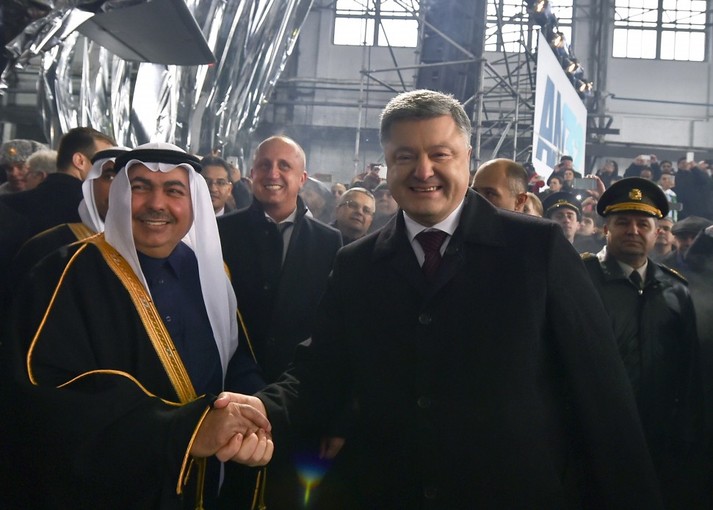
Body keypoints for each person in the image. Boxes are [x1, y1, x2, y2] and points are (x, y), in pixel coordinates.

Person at [249, 90, 663, 509]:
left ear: (467, 157)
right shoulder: (357, 264)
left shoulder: (538, 249)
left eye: (440, 154)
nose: (423, 171)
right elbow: (319, 372)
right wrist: (257, 410)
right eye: (405, 156)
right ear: (387, 163)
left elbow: (602, 394)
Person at [1, 142, 273, 509]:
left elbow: (233, 358)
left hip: (205, 481)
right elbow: (47, 398)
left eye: (174, 191)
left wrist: (253, 412)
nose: (156, 204)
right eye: (141, 187)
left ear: (194, 202)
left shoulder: (211, 272)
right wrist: (185, 430)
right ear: (120, 195)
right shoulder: (64, 274)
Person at [216, 135, 342, 508]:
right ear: (251, 174)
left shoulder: (330, 242)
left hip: (301, 401)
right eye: (265, 165)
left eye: (284, 166)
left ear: (302, 178)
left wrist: (338, 419)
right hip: (230, 396)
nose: (273, 173)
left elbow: (338, 334)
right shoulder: (220, 234)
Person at [582, 177, 704, 508]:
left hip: (658, 436)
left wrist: (687, 430)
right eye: (623, 222)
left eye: (643, 224)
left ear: (657, 231)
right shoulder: (580, 279)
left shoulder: (675, 289)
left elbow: (688, 370)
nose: (633, 230)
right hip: (592, 433)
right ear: (605, 229)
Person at [9, 147, 129, 289]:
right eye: (110, 177)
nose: (119, 188)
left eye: (134, 183)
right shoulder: (47, 246)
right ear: (91, 184)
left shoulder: (148, 250)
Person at [0, 127, 115, 243]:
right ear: (79, 161)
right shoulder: (98, 212)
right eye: (102, 162)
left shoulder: (7, 205)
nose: (110, 169)